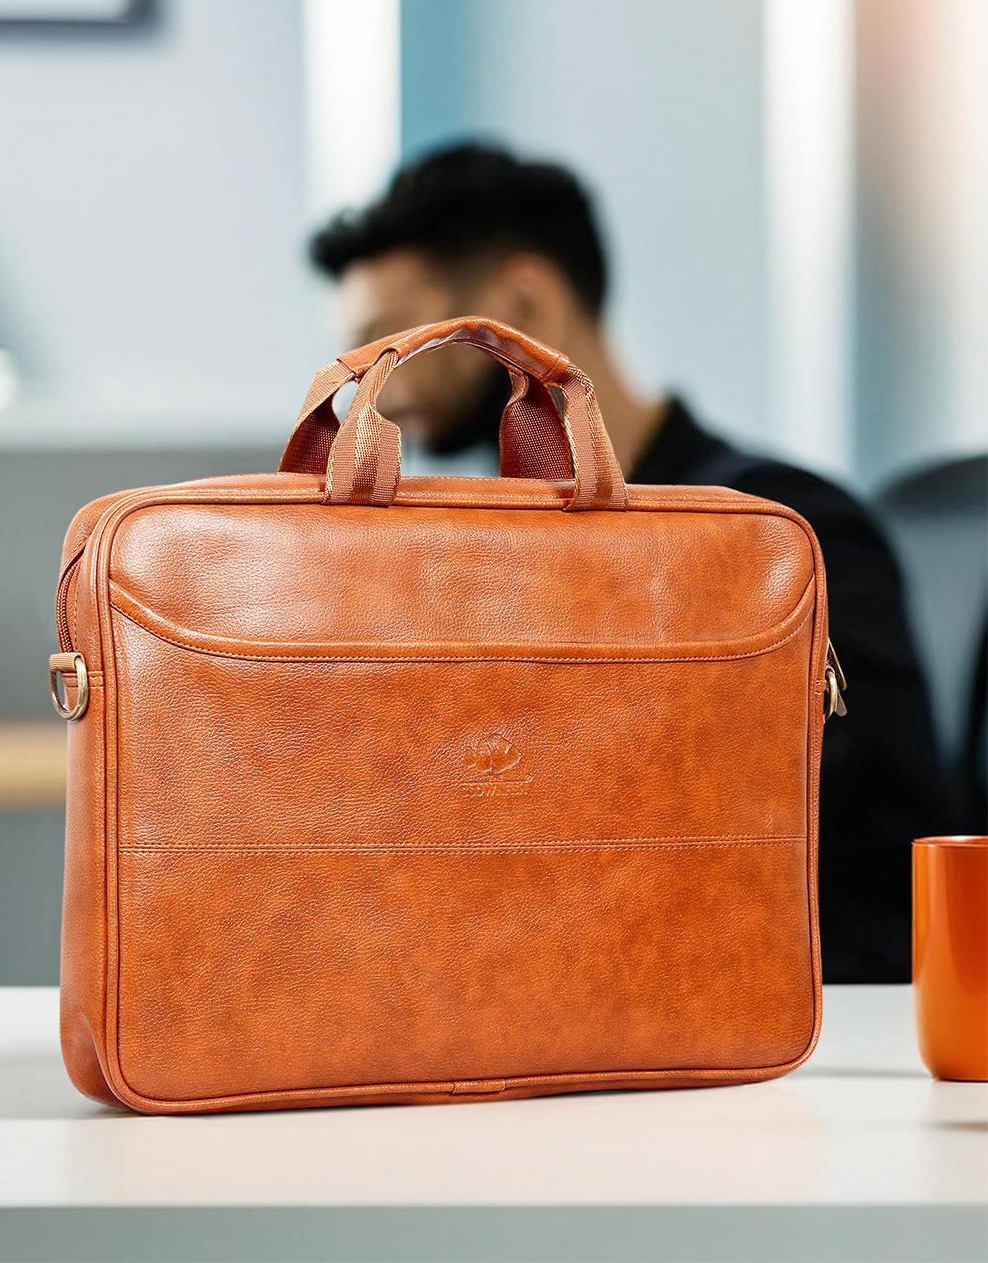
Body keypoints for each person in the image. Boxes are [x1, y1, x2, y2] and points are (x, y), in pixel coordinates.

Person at [308, 141, 957, 983]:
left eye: (392, 342)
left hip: (803, 1000)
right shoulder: (505, 558)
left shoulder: (776, 531)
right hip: (602, 986)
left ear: (519, 302)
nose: (381, 389)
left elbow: (849, 840)